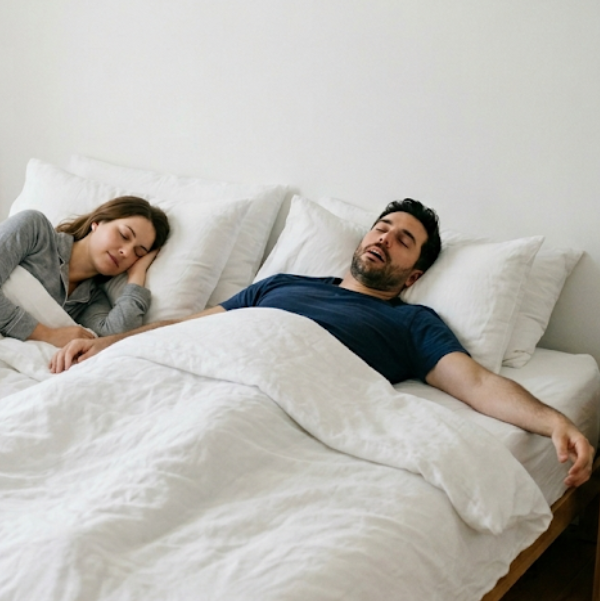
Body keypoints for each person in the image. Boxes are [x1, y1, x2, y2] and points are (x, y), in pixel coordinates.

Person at [51, 199, 595, 488]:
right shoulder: (282, 284)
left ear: (411, 275)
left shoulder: (413, 323)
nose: (385, 237)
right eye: (382, 227)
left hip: (270, 406)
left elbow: (475, 383)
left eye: (404, 240)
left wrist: (554, 421)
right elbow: (197, 325)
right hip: (195, 374)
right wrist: (112, 344)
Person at [0, 196, 171, 348]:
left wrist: (136, 277)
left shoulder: (92, 300)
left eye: (138, 252)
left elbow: (112, 338)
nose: (126, 251)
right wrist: (47, 335)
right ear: (98, 222)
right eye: (124, 235)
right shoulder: (35, 231)